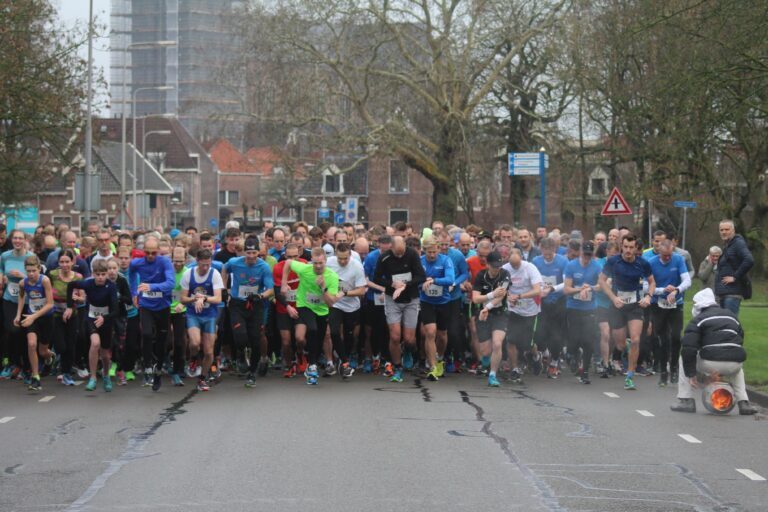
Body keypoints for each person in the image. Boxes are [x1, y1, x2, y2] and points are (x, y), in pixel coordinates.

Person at [670, 288, 757, 415]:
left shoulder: (697, 321)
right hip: (734, 363)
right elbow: (739, 340)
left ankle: (685, 399)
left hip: (711, 362)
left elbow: (689, 348)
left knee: (683, 357)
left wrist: (691, 374)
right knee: (737, 365)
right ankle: (744, 403)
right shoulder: (731, 316)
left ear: (699, 305)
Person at [599, 235, 655, 391]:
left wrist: (648, 297)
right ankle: (627, 346)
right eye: (626, 247)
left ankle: (630, 376)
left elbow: (652, 282)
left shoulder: (642, 263)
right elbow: (602, 281)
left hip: (635, 306)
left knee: (636, 340)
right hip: (617, 306)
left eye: (632, 247)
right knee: (620, 345)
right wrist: (613, 297)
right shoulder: (613, 262)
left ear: (636, 248)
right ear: (621, 247)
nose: (629, 250)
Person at [281, 246, 339, 385]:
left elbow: (331, 303)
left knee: (319, 338)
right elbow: (288, 263)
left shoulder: (332, 276)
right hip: (304, 305)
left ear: (325, 261)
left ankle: (311, 365)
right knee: (311, 329)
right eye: (316, 263)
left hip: (322, 309)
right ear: (311, 261)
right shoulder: (304, 269)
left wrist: (323, 288)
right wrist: (284, 283)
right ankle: (312, 365)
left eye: (321, 263)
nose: (318, 266)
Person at [373, 236, 426, 383]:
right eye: (397, 253)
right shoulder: (384, 258)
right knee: (395, 336)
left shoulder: (413, 255)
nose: (400, 256)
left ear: (405, 247)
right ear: (391, 248)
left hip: (411, 299)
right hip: (393, 299)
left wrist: (405, 285)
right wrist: (391, 284)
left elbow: (421, 276)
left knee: (409, 339)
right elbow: (376, 278)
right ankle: (397, 367)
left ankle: (409, 351)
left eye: (402, 252)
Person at [222, 237, 275, 387]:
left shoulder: (263, 267)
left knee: (256, 340)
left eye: (254, 253)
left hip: (255, 304)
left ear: (258, 252)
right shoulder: (235, 262)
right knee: (240, 336)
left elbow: (270, 289)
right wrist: (224, 288)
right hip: (237, 304)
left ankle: (252, 373)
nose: (251, 256)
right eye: (248, 252)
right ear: (244, 252)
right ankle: (240, 354)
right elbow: (224, 269)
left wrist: (260, 295)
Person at [128, 236, 176, 392]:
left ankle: (158, 371)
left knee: (163, 342)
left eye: (153, 253)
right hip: (146, 305)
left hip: (162, 307)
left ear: (158, 251)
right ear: (143, 251)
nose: (150, 256)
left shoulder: (164, 262)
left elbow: (171, 284)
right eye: (147, 252)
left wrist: (151, 286)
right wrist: (134, 292)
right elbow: (131, 273)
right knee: (147, 334)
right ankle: (148, 364)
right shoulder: (137, 262)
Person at [66, 259, 118, 392]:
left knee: (105, 355)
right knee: (95, 344)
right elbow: (71, 285)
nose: (100, 277)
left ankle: (106, 375)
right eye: (97, 274)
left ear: (106, 274)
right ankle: (93, 378)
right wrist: (70, 306)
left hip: (106, 320)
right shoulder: (88, 284)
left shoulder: (111, 287)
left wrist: (104, 318)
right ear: (93, 274)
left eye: (103, 274)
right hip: (91, 318)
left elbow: (115, 310)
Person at [649, 240, 691, 386]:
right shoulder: (652, 262)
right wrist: (662, 290)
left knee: (676, 337)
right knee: (662, 339)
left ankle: (674, 367)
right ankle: (663, 372)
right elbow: (646, 286)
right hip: (658, 304)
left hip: (675, 304)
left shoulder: (678, 259)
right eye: (665, 255)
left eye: (670, 255)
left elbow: (687, 280)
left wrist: (677, 290)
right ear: (659, 252)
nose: (668, 258)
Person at [181, 249, 224, 391]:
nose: (206, 268)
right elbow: (182, 298)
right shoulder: (188, 273)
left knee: (209, 352)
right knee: (194, 343)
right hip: (193, 314)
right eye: (203, 264)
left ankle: (202, 379)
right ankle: (193, 358)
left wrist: (204, 298)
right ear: (197, 262)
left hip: (210, 315)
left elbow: (218, 299)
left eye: (208, 264)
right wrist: (195, 299)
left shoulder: (214, 274)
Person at [563, 241, 602, 384]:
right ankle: (570, 354)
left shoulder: (596, 266)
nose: (587, 258)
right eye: (585, 254)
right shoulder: (571, 265)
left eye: (589, 255)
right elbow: (566, 289)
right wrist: (580, 289)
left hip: (590, 309)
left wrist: (590, 288)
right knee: (574, 339)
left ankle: (585, 372)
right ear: (580, 252)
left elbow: (601, 285)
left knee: (589, 341)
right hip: (574, 307)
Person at [501, 247, 543, 383]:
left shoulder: (530, 268)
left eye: (517, 264)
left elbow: (537, 290)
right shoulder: (505, 269)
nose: (514, 267)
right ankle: (515, 369)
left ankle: (536, 356)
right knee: (511, 339)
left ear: (521, 259)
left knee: (526, 343)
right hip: (513, 309)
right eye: (512, 264)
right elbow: (502, 288)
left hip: (530, 309)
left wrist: (520, 296)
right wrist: (509, 296)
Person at [326, 242, 367, 378]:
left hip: (351, 306)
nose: (342, 261)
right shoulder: (329, 262)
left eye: (345, 258)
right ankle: (344, 362)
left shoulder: (356, 266)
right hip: (335, 304)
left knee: (350, 336)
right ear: (335, 255)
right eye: (340, 258)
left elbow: (362, 290)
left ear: (350, 255)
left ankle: (345, 358)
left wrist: (345, 293)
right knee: (334, 331)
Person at [0, 230, 36, 380]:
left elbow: (37, 277)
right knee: (13, 330)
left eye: (20, 238)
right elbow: (1, 269)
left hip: (27, 301)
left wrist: (23, 276)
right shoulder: (5, 256)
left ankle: (25, 367)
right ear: (11, 239)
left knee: (24, 333)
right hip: (10, 299)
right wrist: (2, 277)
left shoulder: (30, 257)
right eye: (15, 238)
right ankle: (15, 363)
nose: (17, 241)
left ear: (24, 240)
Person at [15, 255, 55, 392]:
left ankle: (50, 356)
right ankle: (35, 376)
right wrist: (18, 314)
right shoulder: (23, 283)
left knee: (42, 350)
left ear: (39, 269)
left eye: (34, 271)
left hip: (46, 317)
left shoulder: (45, 281)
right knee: (31, 344)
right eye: (28, 271)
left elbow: (50, 304)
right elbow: (21, 296)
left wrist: (34, 316)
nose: (31, 274)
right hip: (31, 316)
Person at [418, 236, 455, 381]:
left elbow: (450, 279)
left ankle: (439, 358)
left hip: (444, 302)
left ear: (438, 249)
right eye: (429, 252)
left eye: (434, 252)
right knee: (430, 332)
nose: (432, 255)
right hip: (427, 301)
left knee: (442, 335)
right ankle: (432, 367)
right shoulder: (420, 262)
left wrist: (434, 280)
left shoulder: (446, 261)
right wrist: (422, 284)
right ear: (424, 251)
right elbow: (415, 282)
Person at [531, 237, 568, 378]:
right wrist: (539, 289)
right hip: (541, 302)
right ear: (541, 249)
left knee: (556, 336)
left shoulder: (563, 261)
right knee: (540, 333)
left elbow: (566, 283)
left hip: (558, 302)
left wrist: (551, 289)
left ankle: (554, 362)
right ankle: (544, 353)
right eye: (545, 252)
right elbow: (532, 280)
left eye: (550, 252)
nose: (547, 255)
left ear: (555, 250)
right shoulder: (536, 262)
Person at [472, 251, 510, 387]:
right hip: (482, 314)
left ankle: (493, 375)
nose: (496, 269)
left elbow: (501, 295)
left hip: (500, 313)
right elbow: (475, 298)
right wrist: (490, 294)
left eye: (499, 266)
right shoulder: (480, 276)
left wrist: (487, 307)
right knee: (486, 351)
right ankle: (486, 359)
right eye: (494, 266)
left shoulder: (505, 274)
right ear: (487, 265)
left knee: (497, 343)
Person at [48, 250, 83, 386]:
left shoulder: (78, 277)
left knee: (70, 346)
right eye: (61, 262)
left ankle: (66, 373)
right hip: (56, 315)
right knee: (61, 346)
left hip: (72, 316)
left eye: (67, 262)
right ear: (58, 263)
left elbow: (83, 297)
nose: (64, 265)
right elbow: (46, 294)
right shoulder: (52, 275)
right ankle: (57, 358)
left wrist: (77, 299)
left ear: (72, 262)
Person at [273, 243, 305, 377]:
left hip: (300, 306)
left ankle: (300, 354)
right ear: (284, 255)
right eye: (289, 257)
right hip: (284, 308)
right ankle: (290, 363)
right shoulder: (278, 268)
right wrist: (287, 306)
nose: (292, 260)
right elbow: (277, 292)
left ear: (300, 254)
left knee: (300, 338)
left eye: (295, 257)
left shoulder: (305, 265)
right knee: (286, 341)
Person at [715, 220, 753, 317]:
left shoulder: (738, 243)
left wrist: (735, 277)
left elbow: (749, 260)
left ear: (733, 230)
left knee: (729, 323)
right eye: (721, 230)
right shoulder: (728, 245)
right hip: (724, 293)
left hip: (731, 294)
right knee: (724, 324)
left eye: (727, 229)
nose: (723, 232)